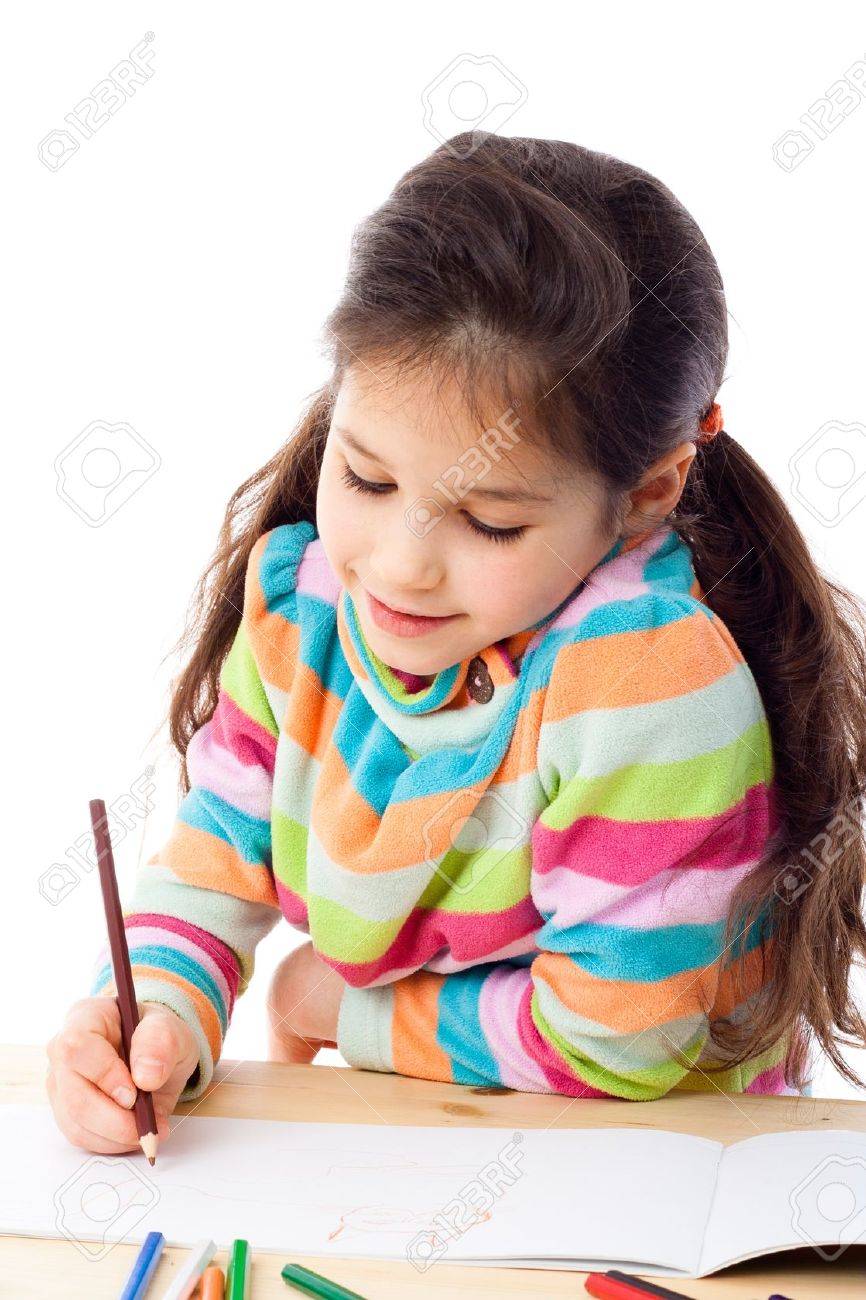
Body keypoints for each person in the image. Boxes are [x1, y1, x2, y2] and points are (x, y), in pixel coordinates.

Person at [47, 132, 866, 1156]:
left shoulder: (644, 682)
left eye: (489, 522)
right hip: (448, 1146)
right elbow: (214, 864)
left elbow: (617, 1041)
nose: (395, 569)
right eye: (367, 479)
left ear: (649, 491)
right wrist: (151, 1019)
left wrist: (338, 1009)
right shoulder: (303, 611)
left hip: (660, 1173)